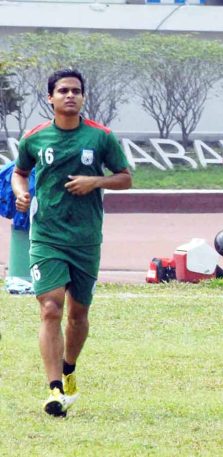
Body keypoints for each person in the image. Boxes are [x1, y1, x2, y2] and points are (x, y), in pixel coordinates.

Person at [12, 69, 132, 417]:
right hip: (47, 235)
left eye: (76, 91)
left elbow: (125, 178)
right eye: (63, 90)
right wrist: (22, 194)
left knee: (78, 315)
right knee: (51, 307)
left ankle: (69, 368)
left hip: (85, 238)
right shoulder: (35, 138)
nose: (70, 96)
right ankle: (54, 390)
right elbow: (20, 172)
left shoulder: (100, 137)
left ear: (82, 98)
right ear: (50, 98)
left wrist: (94, 182)